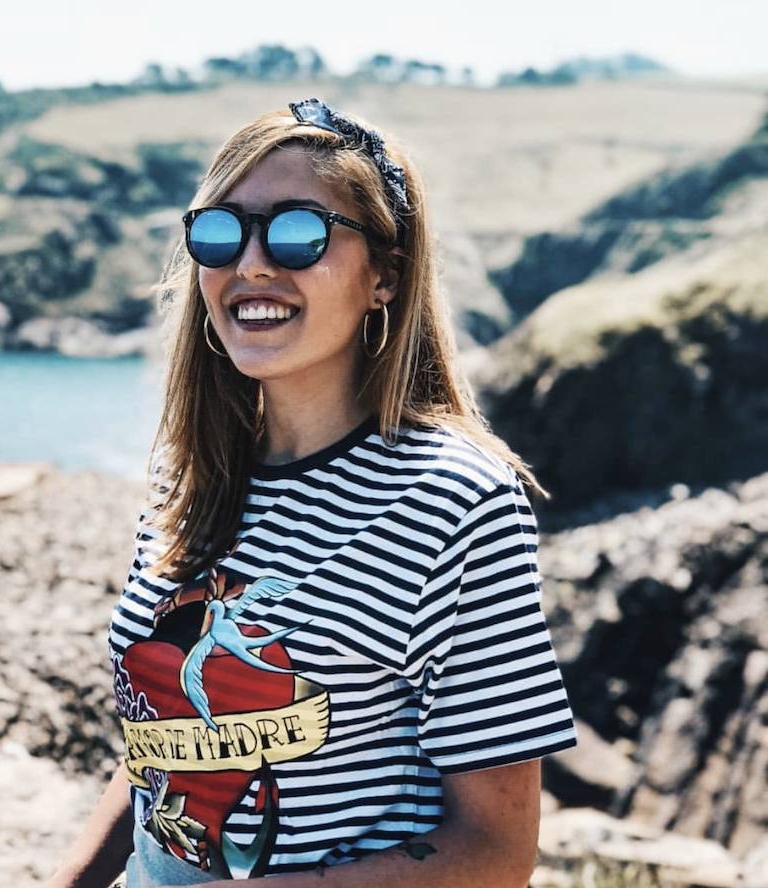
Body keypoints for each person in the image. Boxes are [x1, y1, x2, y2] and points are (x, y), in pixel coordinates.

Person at [45, 97, 578, 888]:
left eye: (299, 231)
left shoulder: (455, 502)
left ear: (384, 279)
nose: (252, 263)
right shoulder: (187, 472)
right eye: (222, 231)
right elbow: (167, 744)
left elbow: (494, 854)